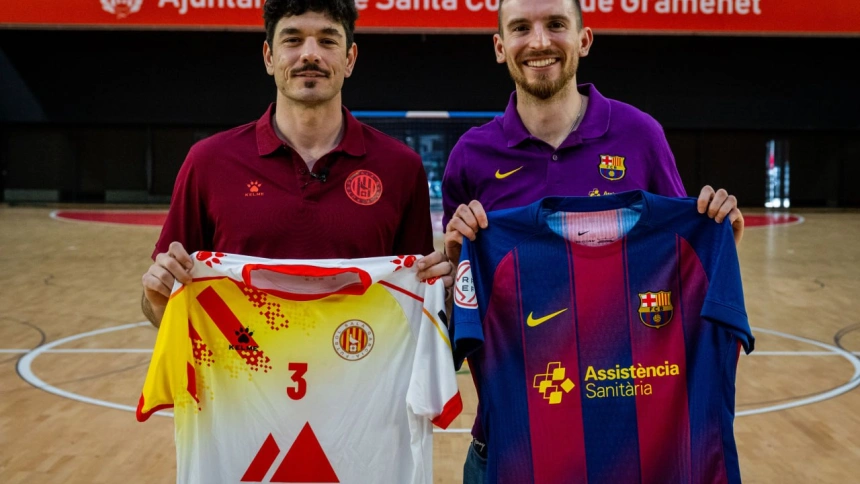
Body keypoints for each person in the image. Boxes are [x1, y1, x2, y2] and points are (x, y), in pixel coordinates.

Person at [440, 0, 744, 481]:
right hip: (512, 448)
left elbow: (677, 271)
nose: (539, 41)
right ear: (500, 48)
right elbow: (457, 322)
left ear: (584, 39)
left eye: (556, 24)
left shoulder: (640, 136)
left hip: (630, 447)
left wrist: (715, 237)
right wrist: (456, 263)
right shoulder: (471, 158)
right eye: (521, 28)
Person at [141, 0, 452, 327]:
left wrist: (440, 294)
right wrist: (158, 298)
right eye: (292, 40)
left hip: (358, 373)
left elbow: (414, 306)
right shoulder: (208, 162)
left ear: (349, 59)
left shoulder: (400, 168)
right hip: (241, 373)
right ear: (268, 57)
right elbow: (162, 306)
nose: (310, 54)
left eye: (328, 41)